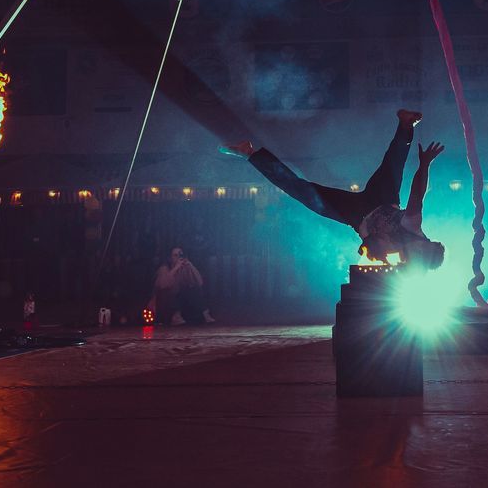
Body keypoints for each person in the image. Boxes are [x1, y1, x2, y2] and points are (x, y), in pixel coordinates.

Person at [224, 110, 446, 269]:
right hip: (383, 199)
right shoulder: (413, 228)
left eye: (419, 256)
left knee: (301, 191)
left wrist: (376, 253)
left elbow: (368, 251)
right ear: (428, 242)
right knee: (393, 165)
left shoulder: (408, 263)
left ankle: (250, 153)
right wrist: (425, 164)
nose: (417, 251)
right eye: (423, 249)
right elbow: (417, 194)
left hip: (354, 213)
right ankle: (406, 126)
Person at [151, 246, 214, 326]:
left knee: (193, 289)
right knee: (168, 293)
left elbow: (199, 282)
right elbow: (163, 285)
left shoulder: (184, 269)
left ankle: (205, 313)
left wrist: (191, 266)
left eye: (180, 255)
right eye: (175, 255)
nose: (178, 257)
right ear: (170, 258)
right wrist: (176, 268)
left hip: (181, 301)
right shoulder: (164, 268)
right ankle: (175, 316)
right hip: (166, 302)